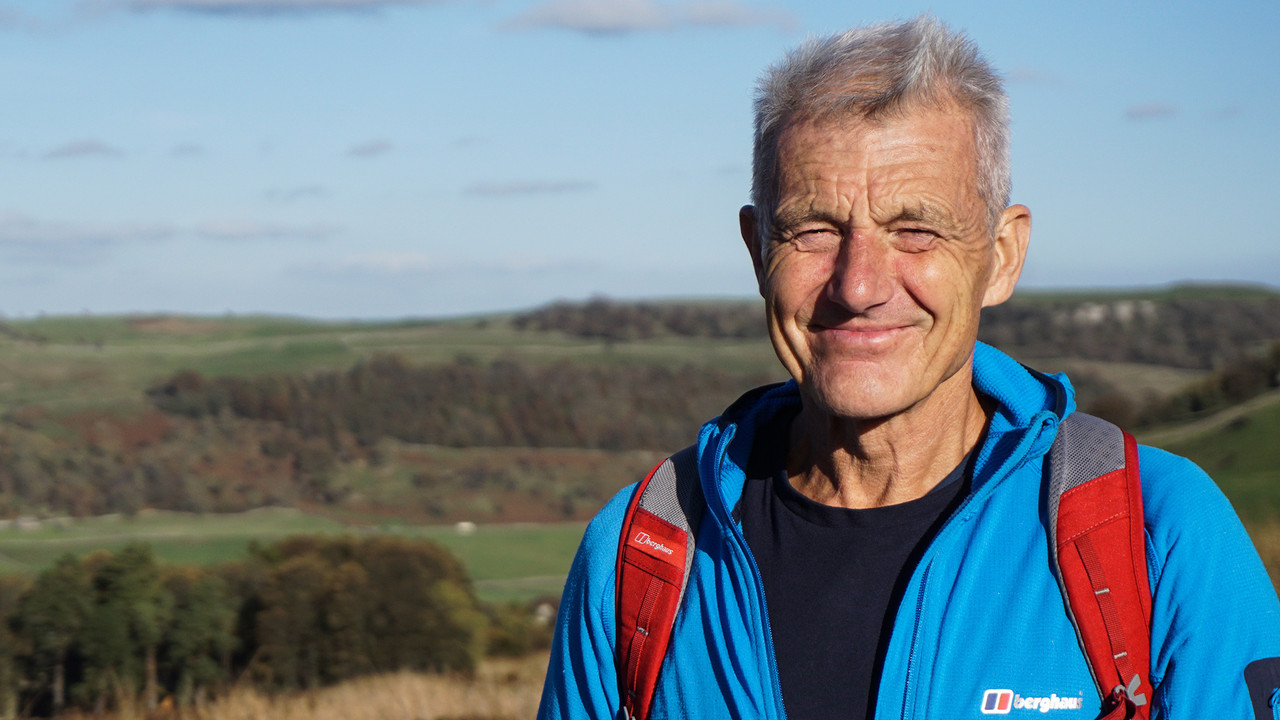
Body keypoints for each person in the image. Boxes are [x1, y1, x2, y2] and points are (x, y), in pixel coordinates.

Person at [538, 15, 1280, 720]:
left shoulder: (1154, 534)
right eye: (814, 230)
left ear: (1002, 256)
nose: (858, 285)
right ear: (757, 250)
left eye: (916, 230)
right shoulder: (640, 555)